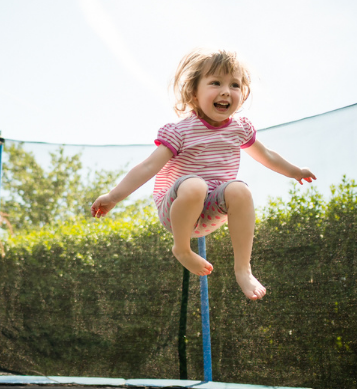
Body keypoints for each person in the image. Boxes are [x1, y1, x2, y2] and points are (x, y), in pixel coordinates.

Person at [90, 49, 315, 300]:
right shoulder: (181, 131)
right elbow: (147, 167)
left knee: (239, 189)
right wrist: (113, 196)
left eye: (235, 85)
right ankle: (182, 248)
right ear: (193, 93)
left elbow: (267, 155)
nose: (225, 91)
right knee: (195, 185)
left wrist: (295, 171)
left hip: (211, 212)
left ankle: (243, 269)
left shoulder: (239, 129)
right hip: (175, 209)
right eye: (215, 83)